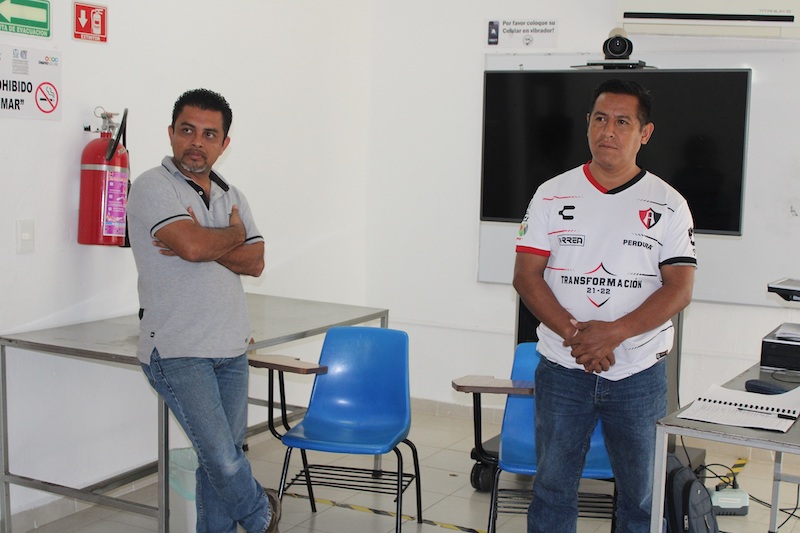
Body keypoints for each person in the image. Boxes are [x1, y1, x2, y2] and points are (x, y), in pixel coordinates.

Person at [513, 79, 696, 532]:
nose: (607, 131)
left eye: (622, 122)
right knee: (551, 489)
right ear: (587, 124)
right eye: (599, 119)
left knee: (642, 497)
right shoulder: (551, 193)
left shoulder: (669, 204)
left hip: (639, 373)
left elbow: (678, 289)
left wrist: (613, 333)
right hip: (563, 367)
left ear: (645, 133)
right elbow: (526, 276)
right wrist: (578, 337)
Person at [126, 88, 281, 533]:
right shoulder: (153, 186)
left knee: (219, 464)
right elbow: (193, 247)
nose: (197, 142)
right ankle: (262, 515)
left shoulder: (233, 195)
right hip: (177, 349)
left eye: (209, 134)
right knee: (223, 460)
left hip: (231, 345)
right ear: (171, 133)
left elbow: (255, 262)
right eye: (187, 130)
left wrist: (202, 240)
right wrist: (229, 236)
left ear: (224, 143)